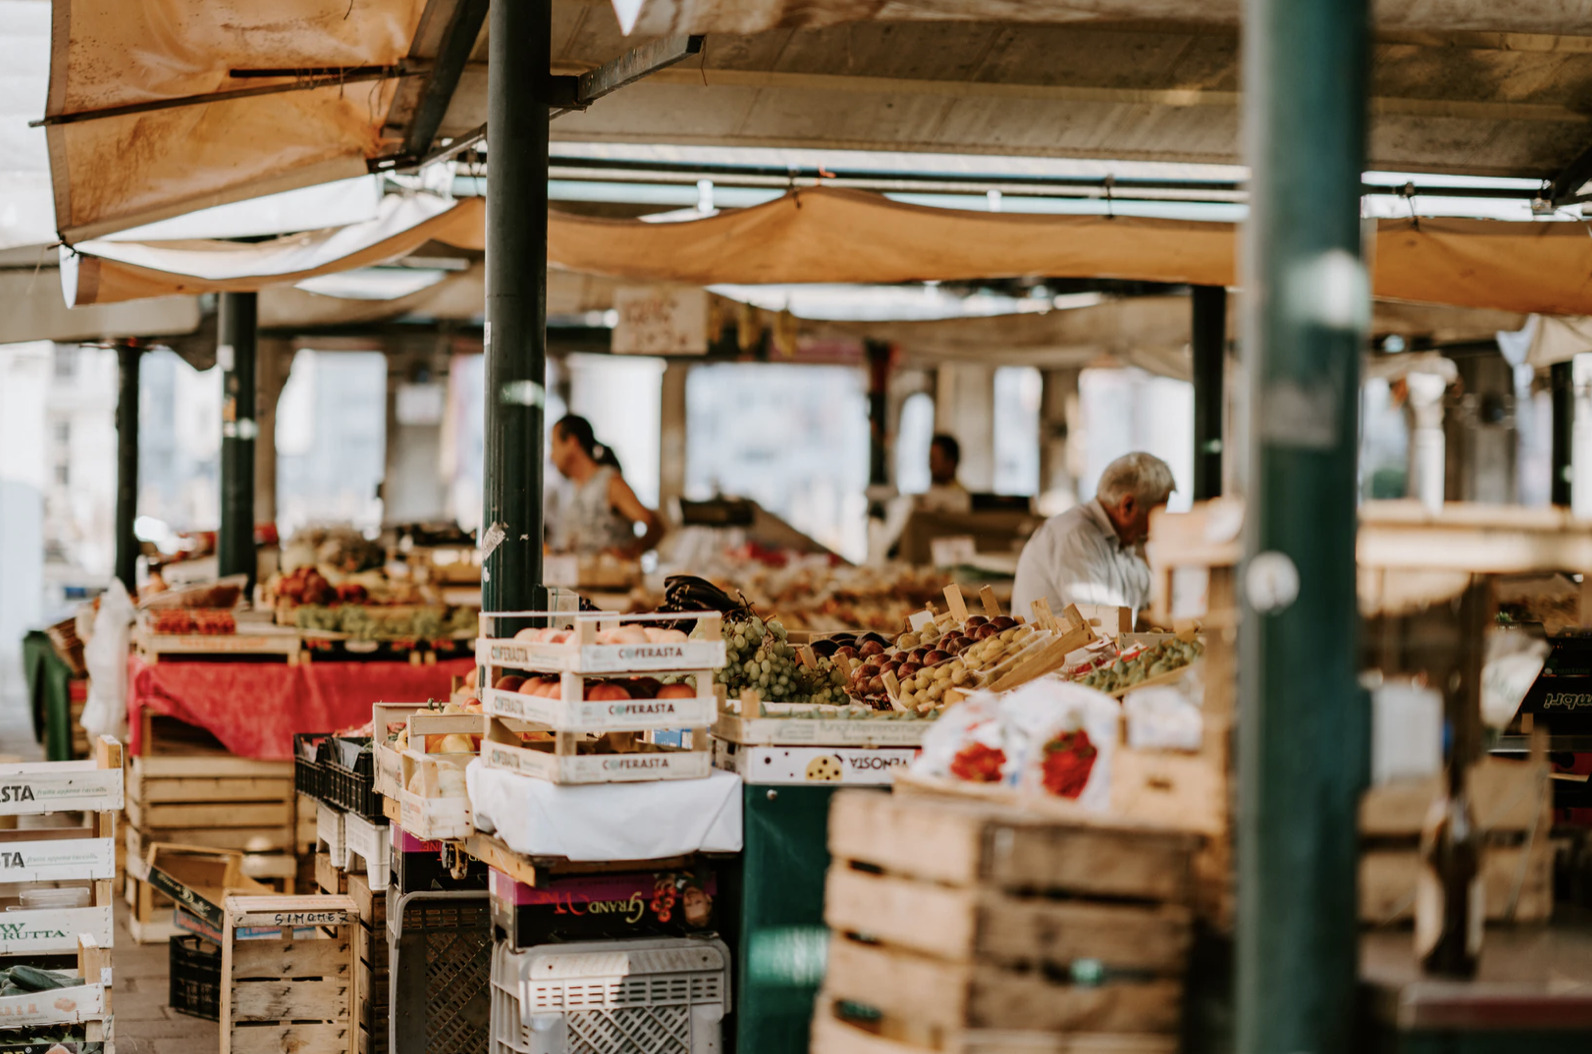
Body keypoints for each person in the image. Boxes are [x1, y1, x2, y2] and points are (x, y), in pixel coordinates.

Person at [1010, 451, 1175, 617]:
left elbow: (1154, 590)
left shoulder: (1118, 542)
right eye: (1156, 515)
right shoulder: (1076, 537)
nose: (1155, 527)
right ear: (1128, 506)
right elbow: (1100, 626)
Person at [547, 415, 665, 557]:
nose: (551, 456)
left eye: (554, 445)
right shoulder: (572, 489)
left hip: (611, 578)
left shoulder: (610, 483)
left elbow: (656, 526)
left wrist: (630, 552)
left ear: (572, 443)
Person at [918, 433, 972, 514]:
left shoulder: (962, 501)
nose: (930, 465)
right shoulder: (926, 497)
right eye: (930, 460)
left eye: (934, 460)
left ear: (950, 463)